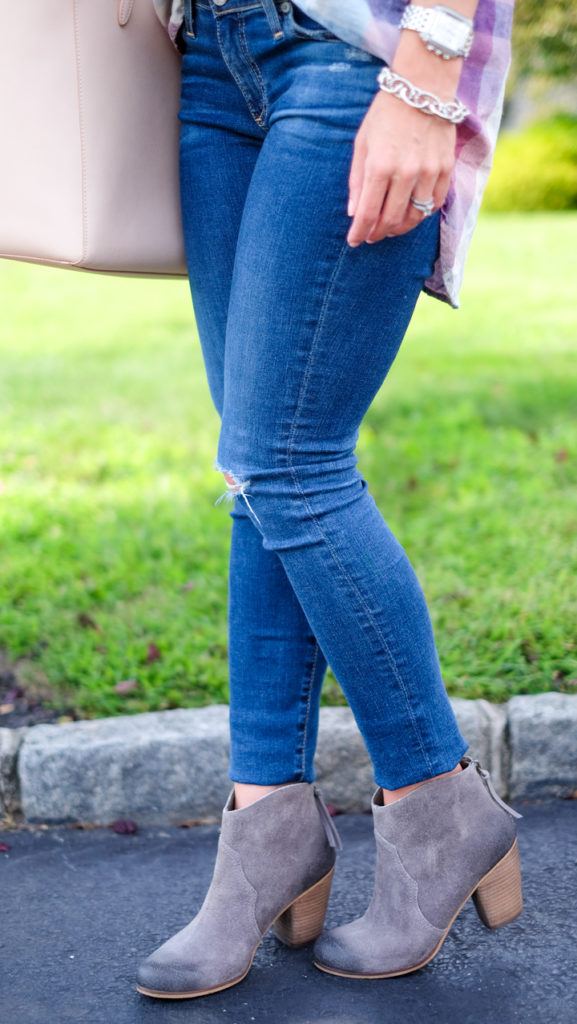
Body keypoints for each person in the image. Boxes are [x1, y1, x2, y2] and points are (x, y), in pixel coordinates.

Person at [137, 0, 522, 998]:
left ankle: (440, 804)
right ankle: (266, 823)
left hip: (358, 52)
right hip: (215, 55)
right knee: (253, 475)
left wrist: (429, 64)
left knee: (289, 465)